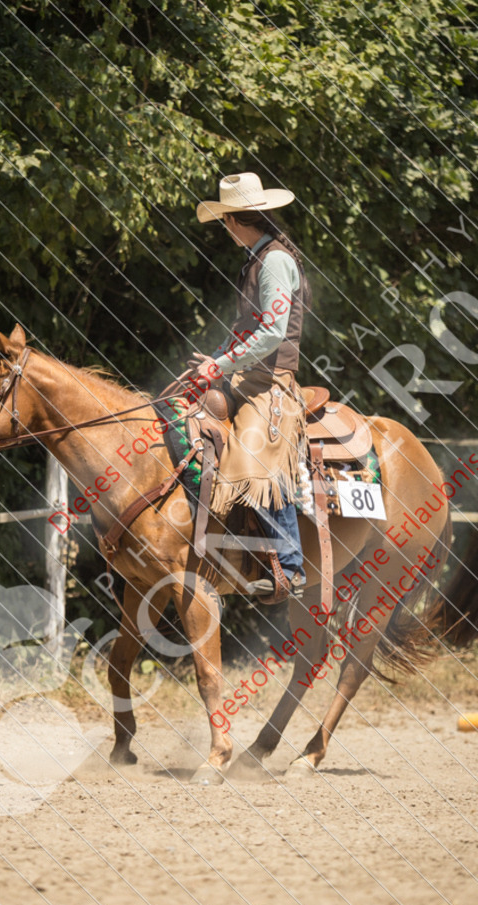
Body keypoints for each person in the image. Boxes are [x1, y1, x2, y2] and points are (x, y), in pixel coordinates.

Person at [191, 171, 311, 602]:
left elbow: (273, 333)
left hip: (270, 384)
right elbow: (247, 329)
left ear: (233, 220)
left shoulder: (274, 260)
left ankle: (292, 567)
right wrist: (214, 361)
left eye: (225, 220)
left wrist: (220, 362)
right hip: (246, 377)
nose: (225, 228)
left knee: (254, 456)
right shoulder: (259, 257)